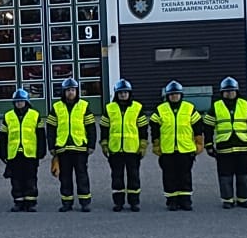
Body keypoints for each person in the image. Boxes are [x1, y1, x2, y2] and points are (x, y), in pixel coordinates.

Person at [203, 77, 247, 209]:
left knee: (243, 175)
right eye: (227, 91)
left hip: (242, 146)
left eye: (232, 91)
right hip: (224, 147)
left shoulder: (245, 104)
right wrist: (209, 145)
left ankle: (243, 199)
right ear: (222, 92)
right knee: (225, 176)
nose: (229, 93)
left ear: (237, 91)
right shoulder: (216, 106)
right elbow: (208, 127)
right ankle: (227, 200)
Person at [150, 81, 204, 211]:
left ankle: (185, 200)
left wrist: (199, 142)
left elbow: (197, 125)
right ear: (167, 96)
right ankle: (172, 201)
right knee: (169, 176)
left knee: (185, 176)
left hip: (185, 149)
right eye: (172, 94)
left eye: (176, 94)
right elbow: (154, 126)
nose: (174, 96)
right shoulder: (160, 109)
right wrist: (156, 143)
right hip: (167, 149)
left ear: (181, 95)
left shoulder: (189, 108)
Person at [45, 78, 97, 212]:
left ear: (77, 91)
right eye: (68, 90)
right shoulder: (56, 107)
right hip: (62, 148)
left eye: (73, 90)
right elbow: (50, 129)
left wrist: (91, 145)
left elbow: (91, 127)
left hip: (80, 147)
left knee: (82, 175)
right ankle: (67, 203)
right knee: (65, 177)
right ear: (64, 92)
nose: (70, 92)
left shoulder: (84, 106)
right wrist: (51, 146)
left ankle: (85, 202)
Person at [100, 79, 148, 212]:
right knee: (117, 177)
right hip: (115, 149)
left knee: (134, 177)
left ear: (129, 93)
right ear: (116, 94)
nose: (123, 95)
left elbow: (143, 128)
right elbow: (104, 128)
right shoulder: (109, 108)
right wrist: (104, 143)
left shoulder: (137, 108)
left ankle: (134, 202)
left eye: (125, 92)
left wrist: (143, 144)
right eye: (120, 92)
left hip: (133, 149)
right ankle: (118, 203)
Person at [0, 89, 46, 212]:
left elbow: (41, 135)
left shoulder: (35, 115)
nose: (19, 103)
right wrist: (2, 153)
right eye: (17, 101)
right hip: (14, 153)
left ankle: (30, 202)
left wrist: (41, 151)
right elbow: (3, 136)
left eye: (21, 101)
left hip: (30, 153)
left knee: (30, 178)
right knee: (16, 179)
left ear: (26, 102)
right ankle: (18, 202)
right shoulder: (8, 116)